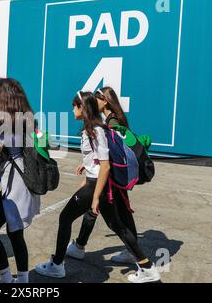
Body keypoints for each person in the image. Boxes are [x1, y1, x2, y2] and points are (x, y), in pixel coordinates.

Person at [35, 91, 160, 283]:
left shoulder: (94, 130)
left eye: (74, 106)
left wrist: (95, 196)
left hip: (96, 186)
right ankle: (147, 267)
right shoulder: (94, 128)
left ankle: (57, 265)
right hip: (97, 185)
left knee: (65, 218)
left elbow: (105, 165)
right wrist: (86, 165)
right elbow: (99, 159)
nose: (71, 110)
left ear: (82, 108)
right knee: (117, 225)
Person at [66, 87, 138, 265]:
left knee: (113, 217)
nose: (93, 102)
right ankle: (81, 245)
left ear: (105, 101)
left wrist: (97, 165)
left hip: (111, 176)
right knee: (119, 214)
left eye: (97, 99)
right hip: (111, 175)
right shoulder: (110, 119)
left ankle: (138, 256)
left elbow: (113, 152)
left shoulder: (111, 121)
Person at [0, 78, 41, 283]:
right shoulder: (28, 120)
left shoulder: (5, 126)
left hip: (13, 184)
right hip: (24, 179)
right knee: (16, 234)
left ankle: (6, 277)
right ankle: (22, 279)